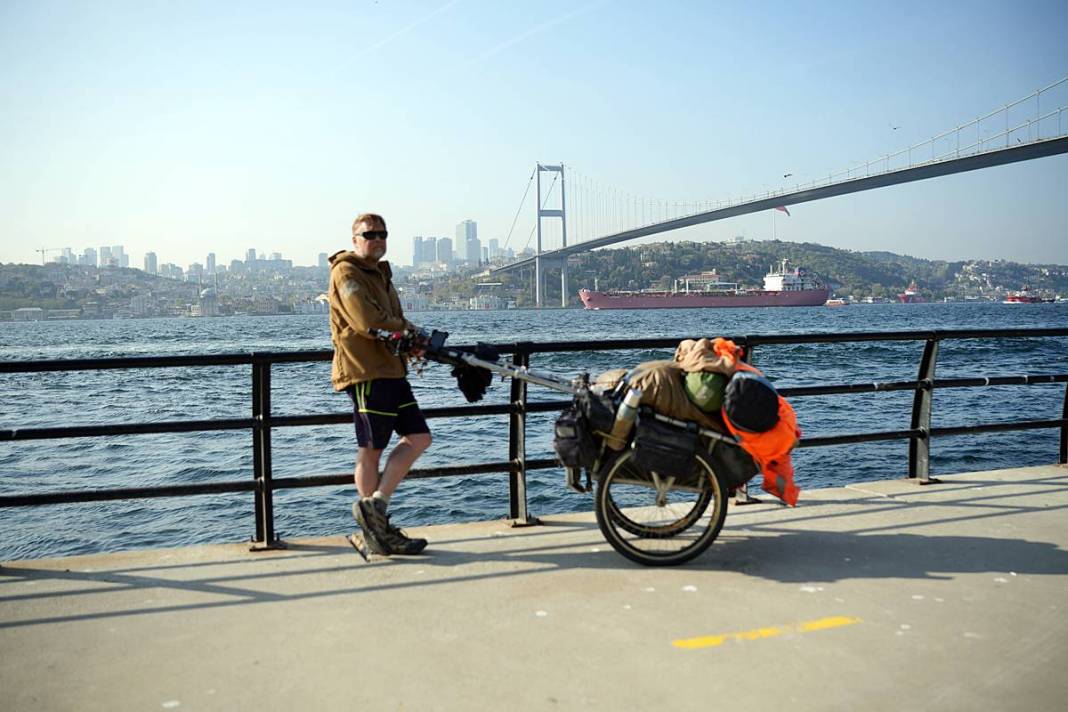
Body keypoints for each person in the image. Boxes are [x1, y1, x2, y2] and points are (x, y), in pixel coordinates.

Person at [328, 213, 432, 555]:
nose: (377, 239)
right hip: (366, 370)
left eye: (382, 234)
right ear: (355, 239)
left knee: (419, 437)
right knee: (371, 449)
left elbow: (392, 320)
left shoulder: (381, 274)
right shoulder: (347, 272)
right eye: (369, 234)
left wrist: (416, 335)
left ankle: (377, 507)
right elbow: (365, 320)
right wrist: (405, 330)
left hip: (392, 368)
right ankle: (377, 530)